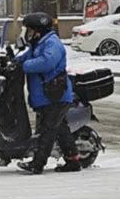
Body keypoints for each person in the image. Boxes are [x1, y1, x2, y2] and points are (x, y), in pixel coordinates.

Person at [14, 12, 81, 174]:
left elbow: (47, 62)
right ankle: (73, 161)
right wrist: (12, 61)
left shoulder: (52, 43)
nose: (28, 34)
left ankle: (38, 164)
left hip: (55, 95)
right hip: (47, 96)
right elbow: (26, 56)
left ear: (39, 31)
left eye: (30, 31)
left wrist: (24, 66)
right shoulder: (38, 44)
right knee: (60, 129)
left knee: (48, 130)